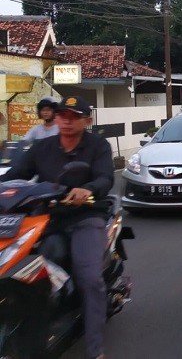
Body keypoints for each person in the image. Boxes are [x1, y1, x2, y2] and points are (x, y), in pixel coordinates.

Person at [1, 96, 114, 359]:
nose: (66, 120)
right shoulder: (42, 146)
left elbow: (105, 177)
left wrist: (87, 190)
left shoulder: (98, 146)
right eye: (63, 115)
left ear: (87, 120)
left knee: (90, 278)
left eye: (74, 116)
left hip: (85, 218)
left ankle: (95, 349)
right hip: (46, 219)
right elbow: (16, 174)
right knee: (21, 269)